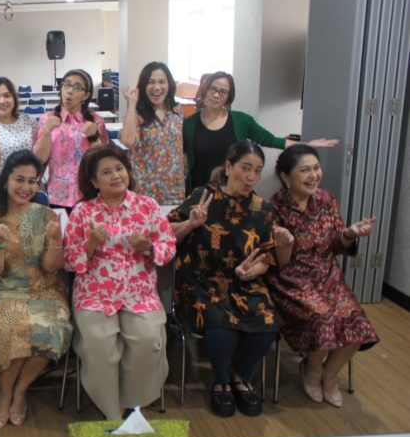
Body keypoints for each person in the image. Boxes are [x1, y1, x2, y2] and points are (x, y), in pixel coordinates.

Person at [63, 144, 175, 420]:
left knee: (148, 339)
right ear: (93, 181)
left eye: (119, 168)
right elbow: (69, 260)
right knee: (98, 343)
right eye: (106, 172)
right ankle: (111, 410)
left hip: (139, 293)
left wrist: (147, 246)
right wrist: (91, 243)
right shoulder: (82, 212)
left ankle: (132, 405)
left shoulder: (147, 206)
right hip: (95, 293)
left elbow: (168, 246)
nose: (115, 176)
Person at [168, 141, 280, 418]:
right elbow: (166, 232)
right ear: (229, 167)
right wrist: (191, 223)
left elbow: (267, 256)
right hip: (198, 280)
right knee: (219, 324)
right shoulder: (203, 196)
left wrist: (254, 271)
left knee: (268, 321)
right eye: (245, 168)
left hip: (243, 282)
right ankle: (220, 381)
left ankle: (241, 377)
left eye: (258, 171)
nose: (252, 177)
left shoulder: (262, 208)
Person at [266, 145, 379, 407]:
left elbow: (337, 246)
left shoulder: (326, 199)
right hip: (291, 280)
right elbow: (276, 262)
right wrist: (284, 243)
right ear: (286, 177)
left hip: (328, 277)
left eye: (316, 168)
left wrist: (350, 233)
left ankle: (330, 374)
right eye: (304, 170)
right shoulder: (274, 207)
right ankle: (312, 369)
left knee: (356, 321)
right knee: (324, 317)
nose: (313, 175)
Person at [0, 151, 71, 430]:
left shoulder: (46, 215)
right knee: (11, 330)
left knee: (51, 328)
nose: (26, 187)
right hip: (3, 290)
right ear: (5, 181)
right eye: (19, 179)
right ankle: (5, 395)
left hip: (44, 290)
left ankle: (19, 391)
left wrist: (55, 241)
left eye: (33, 181)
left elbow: (51, 267)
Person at [183, 71, 339, 191]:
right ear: (205, 90)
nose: (216, 95)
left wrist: (306, 145)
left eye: (223, 92)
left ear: (228, 97)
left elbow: (270, 140)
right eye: (213, 89)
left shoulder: (242, 121)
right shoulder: (188, 124)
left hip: (232, 191)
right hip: (199, 192)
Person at [33, 68, 110, 211]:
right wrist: (47, 132)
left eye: (77, 87)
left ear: (86, 95)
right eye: (66, 85)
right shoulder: (47, 119)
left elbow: (104, 161)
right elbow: (40, 158)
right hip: (57, 194)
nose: (69, 91)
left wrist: (94, 137)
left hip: (89, 193)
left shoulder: (96, 121)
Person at [118, 62, 185, 204]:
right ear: (143, 86)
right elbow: (128, 142)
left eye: (162, 82)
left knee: (172, 226)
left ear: (169, 85)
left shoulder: (177, 111)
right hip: (143, 190)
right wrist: (131, 104)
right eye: (151, 82)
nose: (157, 87)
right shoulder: (136, 113)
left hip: (173, 190)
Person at [0, 76, 39, 210]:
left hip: (25, 190)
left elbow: (39, 158)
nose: (2, 101)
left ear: (14, 98)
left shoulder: (29, 122)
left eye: (7, 95)